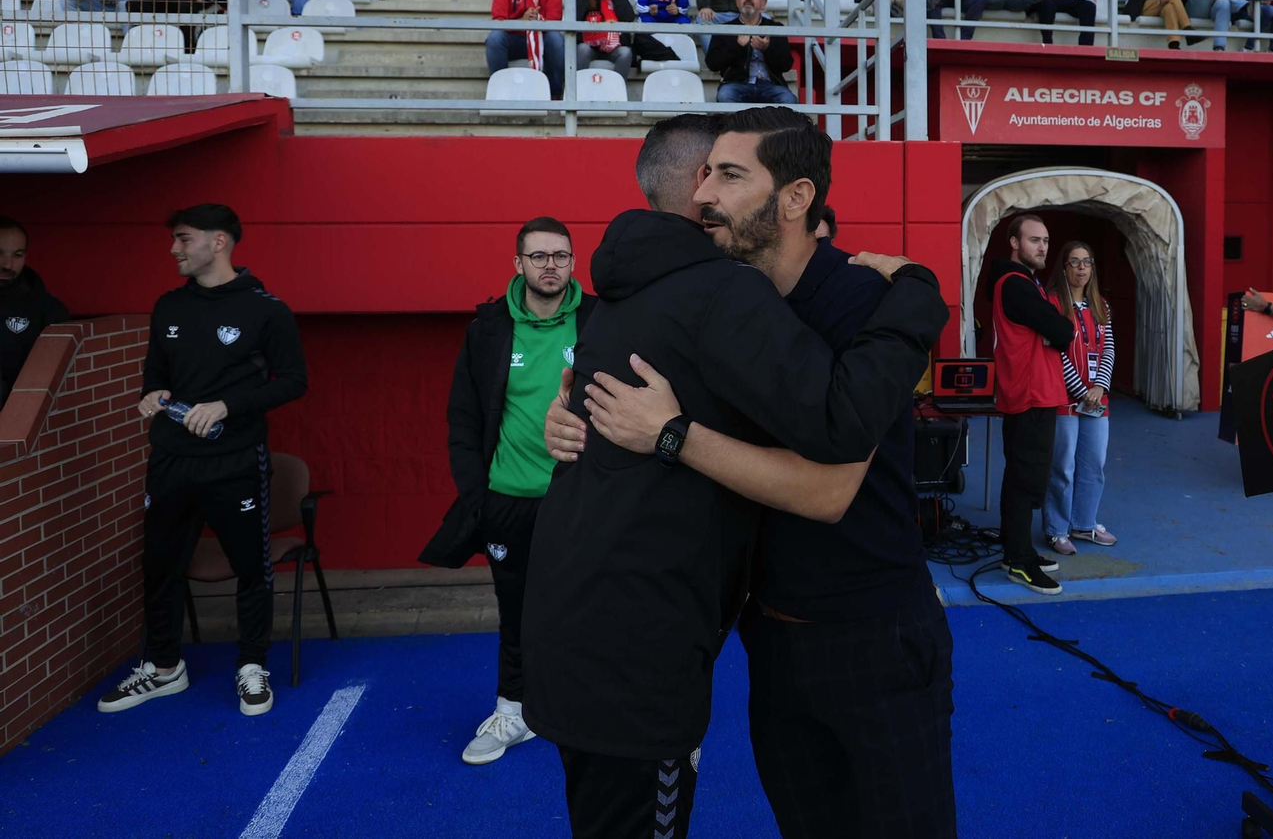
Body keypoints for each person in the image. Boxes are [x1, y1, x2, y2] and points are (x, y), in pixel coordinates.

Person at [522, 112, 947, 839]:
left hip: (871, 636)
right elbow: (610, 380)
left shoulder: (858, 298)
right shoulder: (721, 299)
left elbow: (831, 489)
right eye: (706, 172)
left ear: (794, 198)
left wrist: (670, 435)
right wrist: (573, 416)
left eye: (729, 175)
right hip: (770, 637)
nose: (704, 194)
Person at [97, 204, 307, 718]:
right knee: (160, 565)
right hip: (171, 459)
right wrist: (154, 393)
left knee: (250, 568)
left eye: (183, 239)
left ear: (218, 242)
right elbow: (154, 373)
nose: (174, 249)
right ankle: (165, 668)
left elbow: (294, 381)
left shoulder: (265, 310)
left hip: (234, 460)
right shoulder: (169, 306)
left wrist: (228, 406)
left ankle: (252, 665)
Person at [418, 215, 594, 765]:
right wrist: (478, 496)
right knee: (516, 610)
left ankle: (580, 706)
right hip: (508, 500)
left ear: (572, 261)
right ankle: (513, 712)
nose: (550, 266)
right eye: (538, 256)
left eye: (560, 256)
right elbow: (463, 419)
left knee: (588, 605)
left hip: (581, 499)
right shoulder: (489, 328)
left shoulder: (600, 320)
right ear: (518, 264)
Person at [988, 213, 1075, 594]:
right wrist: (1055, 329)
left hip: (1032, 394)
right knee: (1025, 481)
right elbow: (1063, 330)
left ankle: (1016, 551)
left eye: (1045, 240)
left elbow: (1054, 331)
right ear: (1014, 243)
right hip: (1029, 395)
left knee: (1023, 478)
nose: (1042, 247)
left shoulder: (1024, 283)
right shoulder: (1016, 284)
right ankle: (1019, 563)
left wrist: (1053, 330)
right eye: (1034, 240)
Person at [1042, 241, 1116, 557]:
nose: (1082, 267)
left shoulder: (1102, 305)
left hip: (1097, 400)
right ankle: (1057, 529)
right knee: (1062, 466)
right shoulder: (1053, 304)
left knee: (1094, 462)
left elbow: (1109, 348)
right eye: (1075, 261)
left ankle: (1084, 523)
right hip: (1065, 398)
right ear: (1064, 267)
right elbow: (1054, 353)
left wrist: (1099, 387)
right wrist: (1079, 390)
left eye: (1087, 261)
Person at [0, 217, 70, 409]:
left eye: (17, 255)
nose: (7, 264)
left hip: (21, 421)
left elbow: (64, 379)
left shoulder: (48, 310)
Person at [486, 0, 565, 97]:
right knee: (495, 37)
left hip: (542, 39)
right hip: (514, 40)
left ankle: (555, 93)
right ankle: (499, 90)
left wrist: (537, 22)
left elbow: (554, 20)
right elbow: (498, 21)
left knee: (555, 38)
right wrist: (522, 22)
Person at [707, 0, 796, 103]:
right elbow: (712, 63)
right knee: (725, 96)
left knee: (788, 99)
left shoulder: (776, 28)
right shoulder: (725, 28)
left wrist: (767, 48)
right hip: (737, 84)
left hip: (770, 85)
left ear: (763, 3)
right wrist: (736, 46)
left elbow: (786, 65)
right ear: (737, 2)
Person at [574, 0, 638, 79]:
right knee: (582, 49)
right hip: (589, 47)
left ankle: (617, 90)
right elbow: (574, 18)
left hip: (614, 47)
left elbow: (628, 18)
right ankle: (579, 88)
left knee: (625, 53)